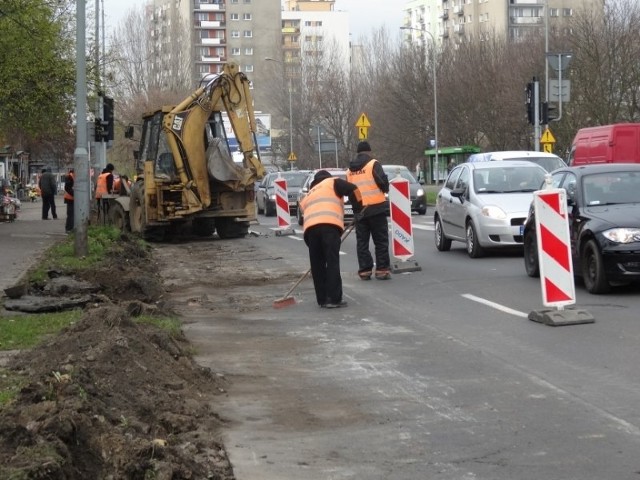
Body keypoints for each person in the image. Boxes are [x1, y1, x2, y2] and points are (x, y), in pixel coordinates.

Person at [299, 170, 363, 309]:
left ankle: (322, 299)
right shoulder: (332, 182)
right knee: (332, 261)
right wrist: (358, 210)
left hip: (310, 231)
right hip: (329, 226)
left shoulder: (309, 193)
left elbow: (304, 212)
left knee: (317, 265)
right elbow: (354, 189)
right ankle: (334, 299)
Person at [346, 141, 391, 281]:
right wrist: (385, 188)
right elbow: (383, 183)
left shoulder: (350, 170)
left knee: (362, 242)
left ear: (358, 152)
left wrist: (356, 210)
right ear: (368, 151)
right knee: (381, 241)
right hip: (376, 209)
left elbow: (350, 192)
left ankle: (365, 271)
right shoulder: (373, 164)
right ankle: (382, 270)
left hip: (360, 212)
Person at [63, 169, 75, 233]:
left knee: (71, 214)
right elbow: (67, 188)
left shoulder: (71, 176)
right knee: (71, 214)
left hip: (70, 197)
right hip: (70, 198)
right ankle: (69, 228)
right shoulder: (70, 177)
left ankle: (70, 228)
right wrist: (74, 194)